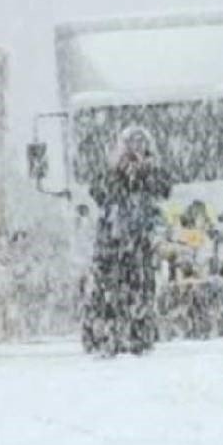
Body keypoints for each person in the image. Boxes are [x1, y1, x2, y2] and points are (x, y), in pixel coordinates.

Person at [86, 125, 172, 355]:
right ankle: (106, 333)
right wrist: (118, 172)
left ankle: (139, 334)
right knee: (106, 291)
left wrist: (146, 173)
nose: (136, 152)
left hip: (140, 246)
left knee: (142, 289)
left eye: (140, 147)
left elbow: (165, 189)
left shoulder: (153, 176)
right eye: (131, 147)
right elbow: (97, 192)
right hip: (111, 246)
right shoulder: (110, 176)